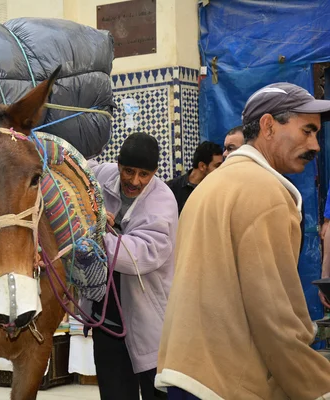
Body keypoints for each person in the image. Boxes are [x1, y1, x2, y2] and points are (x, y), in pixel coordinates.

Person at [157, 82, 330, 399]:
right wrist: (318, 387)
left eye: (316, 134)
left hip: (187, 373)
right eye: (307, 131)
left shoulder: (212, 185)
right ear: (268, 125)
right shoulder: (266, 194)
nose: (316, 145)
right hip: (226, 382)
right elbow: (274, 318)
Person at [89, 132, 177, 400]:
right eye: (128, 171)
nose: (134, 181)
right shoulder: (104, 177)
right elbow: (78, 170)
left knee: (156, 391)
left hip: (146, 314)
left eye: (143, 174)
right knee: (114, 392)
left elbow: (140, 255)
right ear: (117, 165)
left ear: (154, 173)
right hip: (107, 317)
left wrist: (93, 231)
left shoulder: (162, 203)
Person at [166, 141, 223, 214]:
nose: (221, 169)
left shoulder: (218, 189)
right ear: (202, 166)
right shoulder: (172, 188)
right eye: (217, 166)